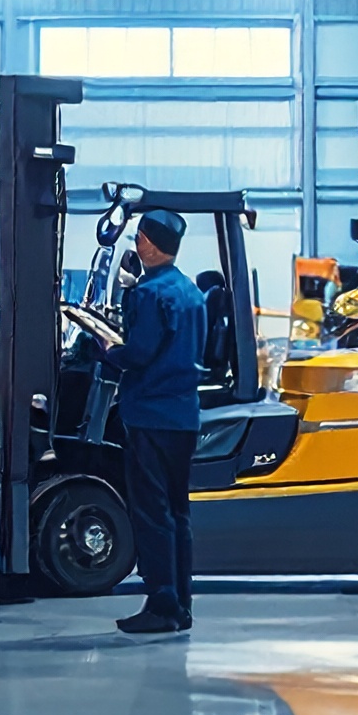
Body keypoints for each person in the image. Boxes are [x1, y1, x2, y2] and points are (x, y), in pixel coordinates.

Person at [98, 207, 207, 636]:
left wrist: (108, 348)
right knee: (178, 512)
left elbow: (139, 354)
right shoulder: (191, 292)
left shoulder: (148, 294)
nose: (135, 244)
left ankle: (160, 603)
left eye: (138, 237)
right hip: (184, 417)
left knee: (152, 513)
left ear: (149, 242)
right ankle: (180, 603)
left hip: (149, 415)